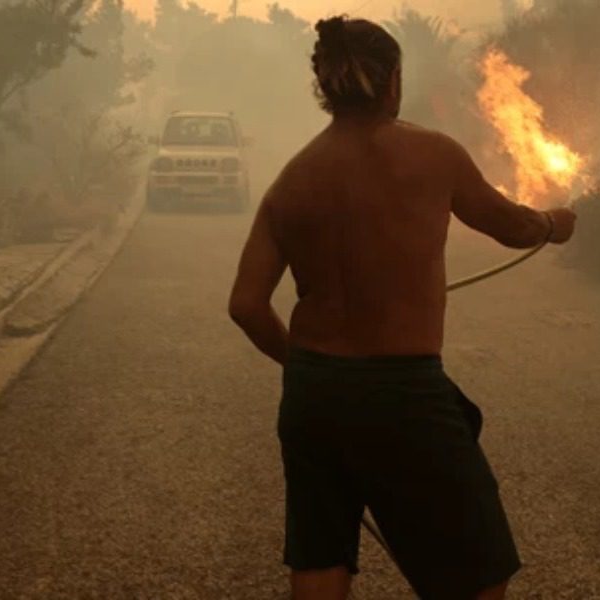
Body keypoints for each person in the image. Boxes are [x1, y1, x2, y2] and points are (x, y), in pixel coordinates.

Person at [229, 15, 576, 600]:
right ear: (392, 82)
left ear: (325, 88)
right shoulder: (432, 154)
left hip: (314, 393)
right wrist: (551, 224)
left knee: (320, 552)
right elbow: (511, 226)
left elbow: (245, 304)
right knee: (477, 573)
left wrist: (305, 368)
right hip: (404, 394)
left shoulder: (290, 182)